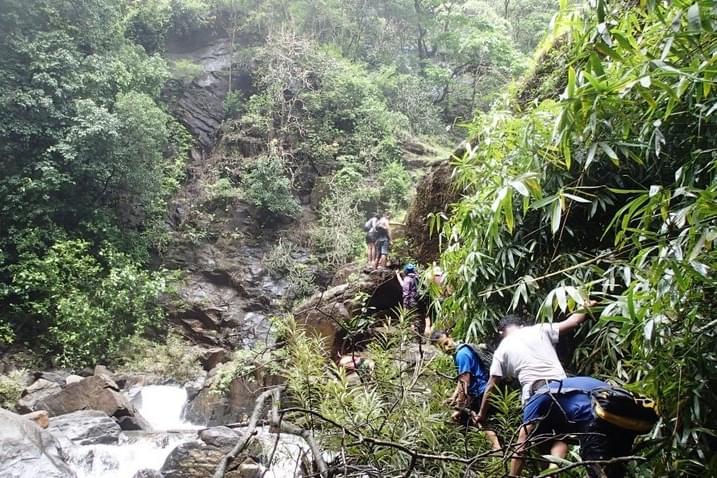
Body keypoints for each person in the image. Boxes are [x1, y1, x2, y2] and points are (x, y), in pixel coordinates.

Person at [475, 301, 597, 475]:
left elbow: (491, 386)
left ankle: (514, 476)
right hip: (563, 389)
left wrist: (482, 414)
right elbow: (573, 322)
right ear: (522, 325)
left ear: (501, 332)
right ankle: (552, 470)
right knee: (559, 436)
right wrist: (586, 305)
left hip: (536, 393)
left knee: (523, 441)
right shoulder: (539, 329)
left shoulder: (501, 350)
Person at [521, 376, 640, 478]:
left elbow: (521, 443)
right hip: (628, 420)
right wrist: (550, 472)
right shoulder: (568, 390)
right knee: (614, 471)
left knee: (598, 470)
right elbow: (560, 443)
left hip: (596, 419)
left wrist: (512, 475)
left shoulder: (538, 396)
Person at [431, 330, 501, 450]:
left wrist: (459, 408)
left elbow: (465, 382)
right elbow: (461, 379)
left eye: (447, 343)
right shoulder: (461, 351)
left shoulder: (461, 354)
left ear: (450, 337)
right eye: (442, 347)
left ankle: (496, 454)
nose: (447, 348)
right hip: (481, 392)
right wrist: (453, 397)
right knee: (479, 424)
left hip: (481, 393)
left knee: (483, 426)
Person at [396, 264, 429, 335]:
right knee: (419, 317)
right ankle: (420, 335)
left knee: (412, 318)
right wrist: (398, 275)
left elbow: (406, 292)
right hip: (419, 300)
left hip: (411, 301)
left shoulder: (407, 279)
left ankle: (415, 336)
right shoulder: (418, 277)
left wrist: (405, 305)